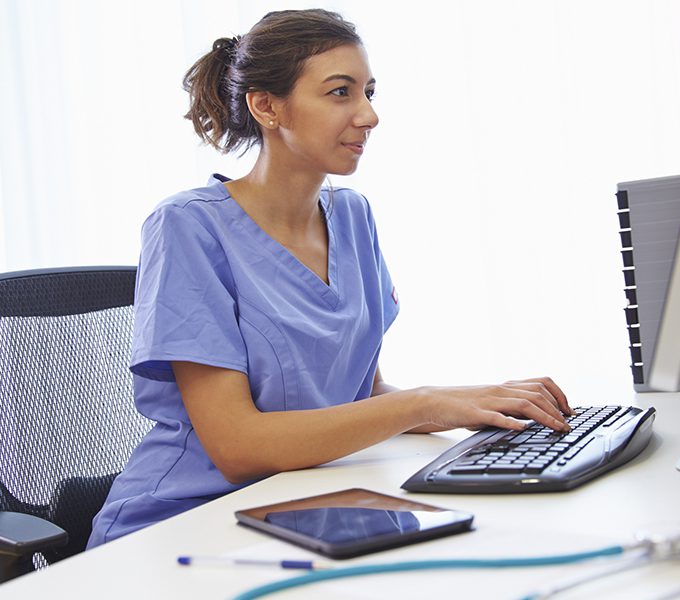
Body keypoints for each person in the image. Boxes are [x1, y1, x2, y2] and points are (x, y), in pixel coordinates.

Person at [88, 8, 572, 548]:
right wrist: (425, 402)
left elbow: (364, 392)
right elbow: (236, 445)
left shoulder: (353, 215)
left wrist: (474, 403)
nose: (368, 115)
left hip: (310, 503)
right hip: (186, 522)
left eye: (369, 91)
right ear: (267, 106)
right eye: (340, 92)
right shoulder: (188, 226)